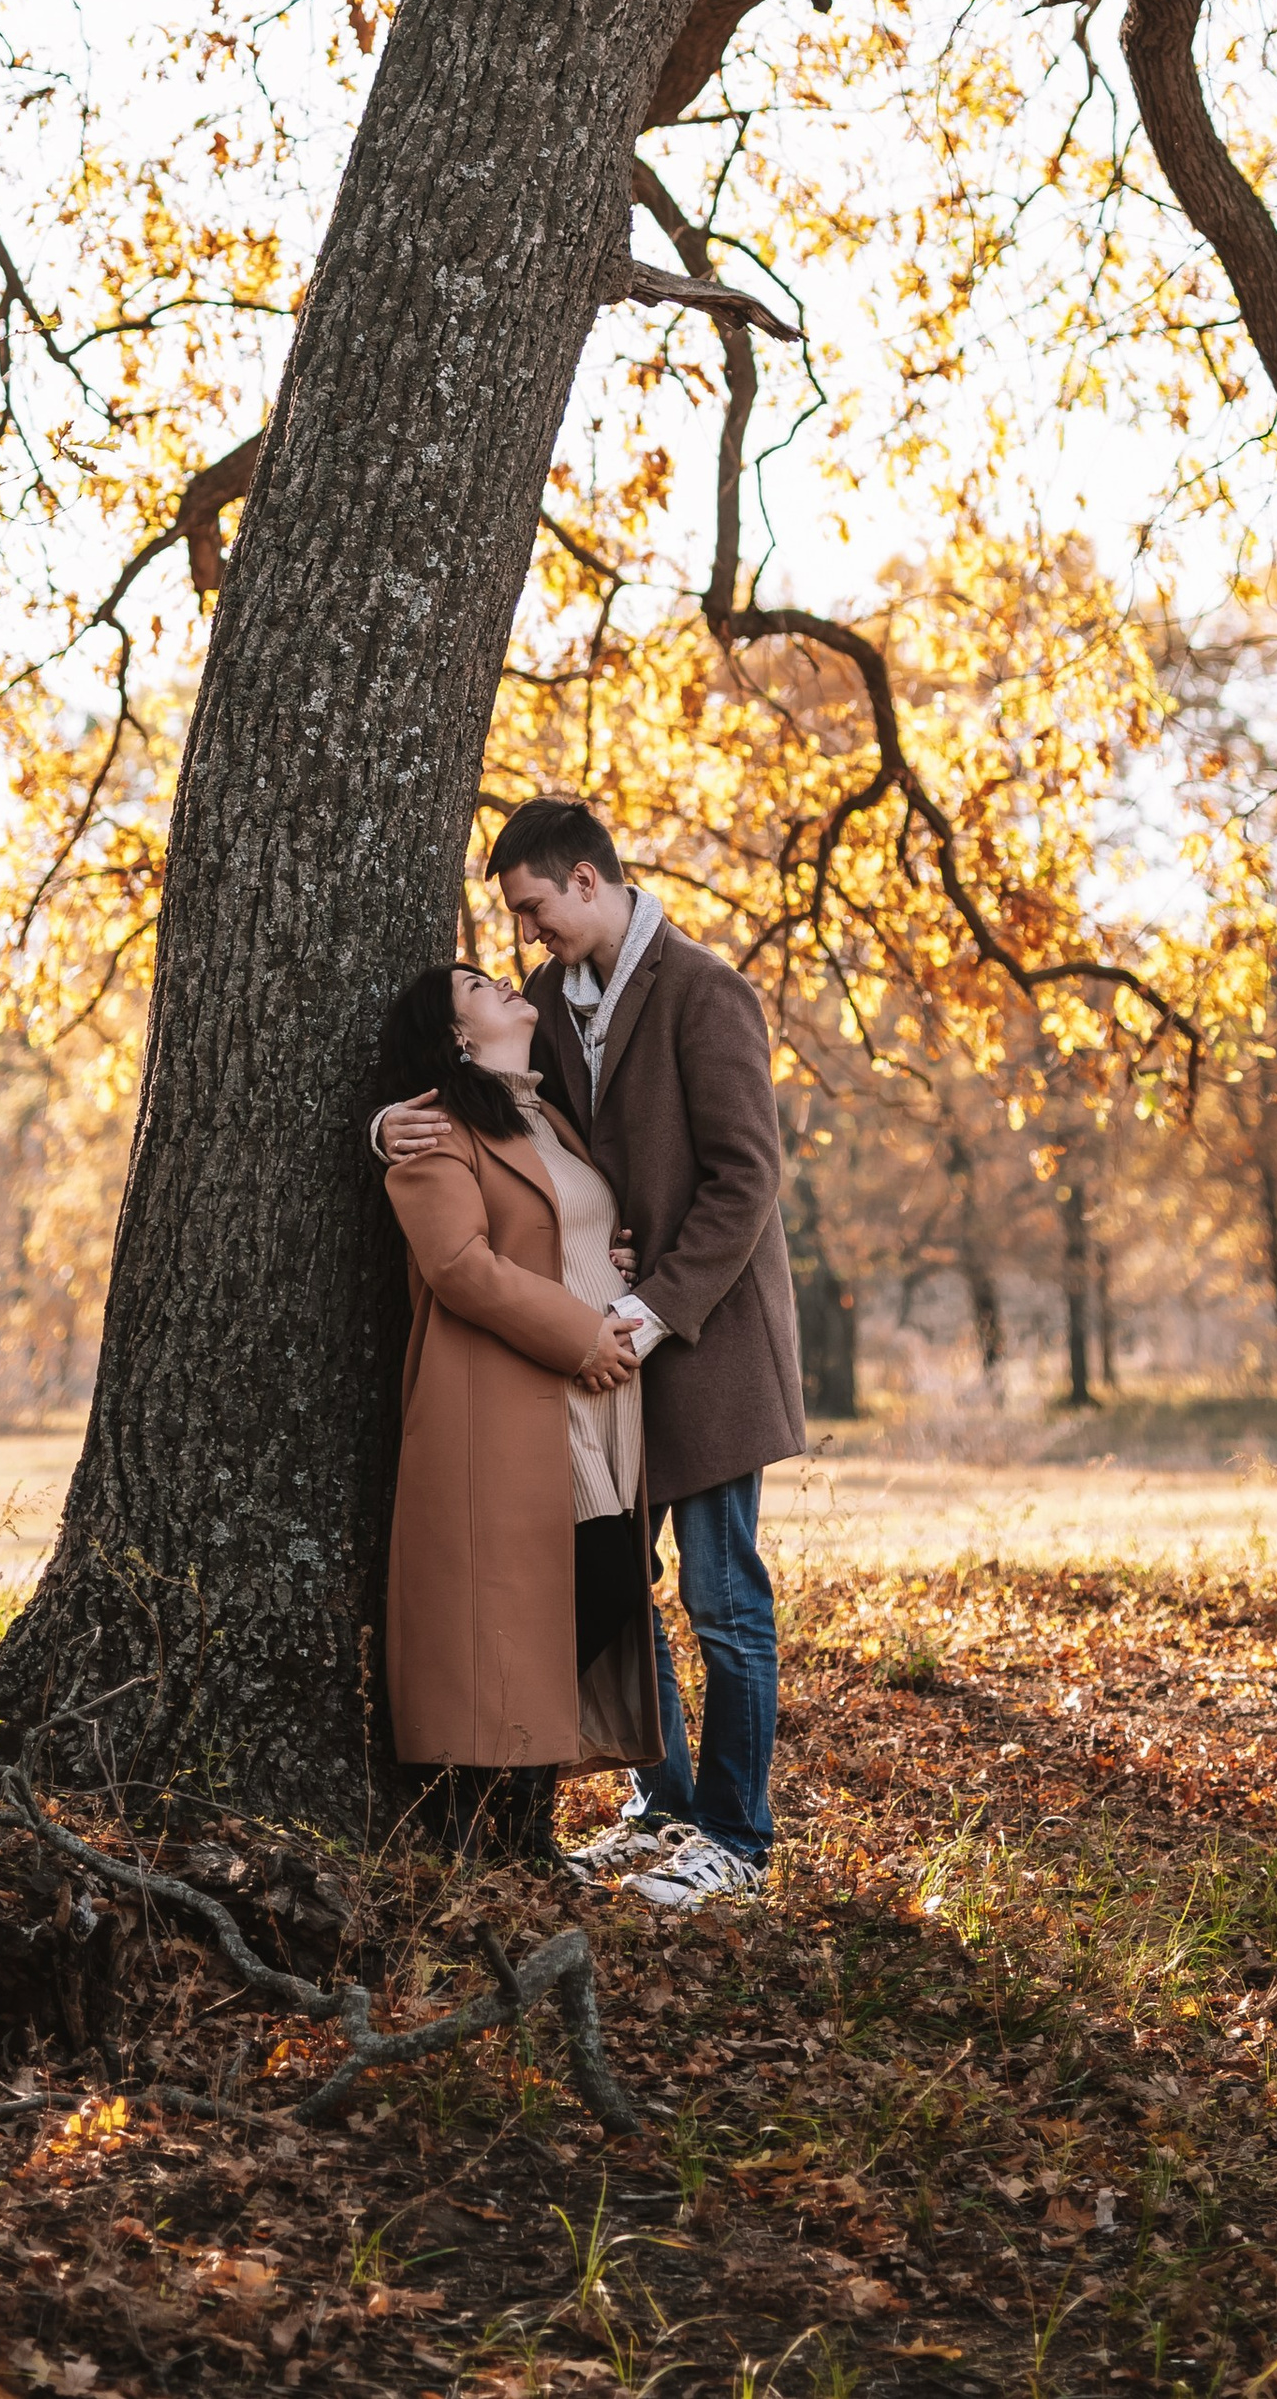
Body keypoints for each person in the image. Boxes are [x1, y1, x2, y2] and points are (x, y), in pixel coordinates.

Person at [380, 798, 804, 1913]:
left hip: (702, 1340)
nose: (527, 935)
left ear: (584, 878)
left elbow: (746, 1180)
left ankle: (737, 1837)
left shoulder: (706, 991)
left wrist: (652, 1308)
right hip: (603, 1359)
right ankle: (663, 1807)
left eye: (533, 908)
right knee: (621, 1587)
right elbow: (504, 1118)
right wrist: (385, 1128)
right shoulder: (552, 1004)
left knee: (723, 1597)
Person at [370, 957, 662, 1857]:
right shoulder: (434, 1132)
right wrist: (581, 1334)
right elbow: (459, 1264)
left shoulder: (547, 1115)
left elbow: (566, 1226)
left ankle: (524, 1827)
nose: (502, 982)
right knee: (582, 1586)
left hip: (598, 1394)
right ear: (457, 1035)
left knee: (602, 1585)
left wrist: (614, 1258)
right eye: (475, 986)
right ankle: (481, 1813)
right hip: (514, 1394)